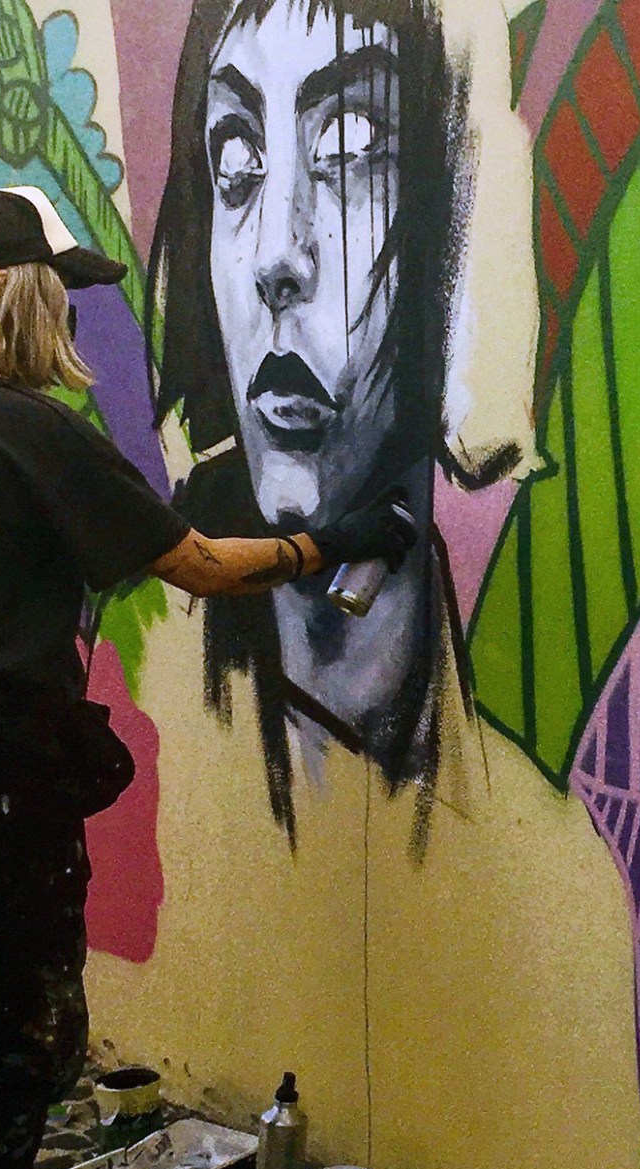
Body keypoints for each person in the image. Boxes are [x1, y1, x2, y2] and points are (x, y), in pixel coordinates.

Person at [0, 186, 415, 1169]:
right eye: (60, 293)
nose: (70, 318)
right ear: (19, 301)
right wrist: (336, 540)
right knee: (16, 1032)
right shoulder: (24, 430)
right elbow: (200, 565)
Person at [154, 0, 462, 841]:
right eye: (238, 156)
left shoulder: (556, 845)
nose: (275, 257)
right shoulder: (149, 679)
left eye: (351, 147)